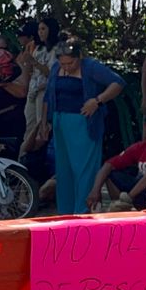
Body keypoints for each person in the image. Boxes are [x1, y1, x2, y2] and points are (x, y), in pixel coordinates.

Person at [48, 38, 127, 214]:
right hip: (60, 121)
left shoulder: (90, 67)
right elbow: (49, 94)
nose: (67, 66)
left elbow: (118, 83)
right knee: (64, 171)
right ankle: (65, 214)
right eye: (63, 63)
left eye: (70, 62)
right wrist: (44, 122)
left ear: (79, 56)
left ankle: (83, 213)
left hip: (83, 122)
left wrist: (98, 101)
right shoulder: (56, 68)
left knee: (84, 170)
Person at [87, 109, 146, 211]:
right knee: (111, 174)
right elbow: (109, 164)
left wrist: (129, 197)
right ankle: (119, 207)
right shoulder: (142, 146)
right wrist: (95, 190)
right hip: (141, 190)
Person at [16, 21, 53, 157]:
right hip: (33, 91)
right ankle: (26, 155)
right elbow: (30, 70)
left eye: (44, 29)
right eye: (39, 29)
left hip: (44, 90)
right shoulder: (37, 48)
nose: (40, 32)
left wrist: (34, 62)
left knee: (40, 126)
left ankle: (37, 156)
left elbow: (50, 72)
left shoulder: (54, 50)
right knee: (29, 125)